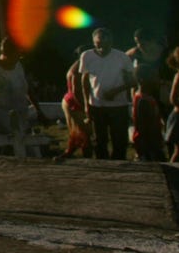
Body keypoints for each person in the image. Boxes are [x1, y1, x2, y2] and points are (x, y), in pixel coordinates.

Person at [0, 38, 46, 152]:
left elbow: (28, 89)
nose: (19, 57)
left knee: (29, 150)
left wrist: (38, 110)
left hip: (22, 116)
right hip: (4, 120)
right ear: (7, 54)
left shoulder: (18, 65)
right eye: (17, 54)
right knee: (10, 151)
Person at [79, 28, 134, 160]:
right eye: (99, 43)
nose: (102, 47)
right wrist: (86, 104)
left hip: (118, 105)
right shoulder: (87, 56)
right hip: (97, 105)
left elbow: (132, 81)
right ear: (94, 42)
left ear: (111, 42)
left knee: (119, 139)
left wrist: (116, 91)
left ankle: (119, 164)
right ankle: (102, 166)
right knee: (99, 140)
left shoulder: (121, 57)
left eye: (106, 43)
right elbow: (85, 80)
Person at [56, 53, 92, 161]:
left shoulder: (76, 65)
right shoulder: (77, 70)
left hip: (71, 101)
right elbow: (76, 90)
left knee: (77, 131)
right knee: (84, 133)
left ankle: (72, 152)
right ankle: (84, 156)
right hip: (75, 103)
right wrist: (84, 107)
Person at [132, 77, 166, 161]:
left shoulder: (140, 96)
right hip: (148, 141)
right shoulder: (144, 100)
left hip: (146, 139)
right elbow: (144, 125)